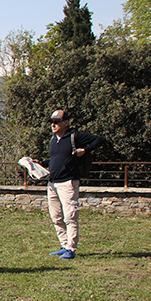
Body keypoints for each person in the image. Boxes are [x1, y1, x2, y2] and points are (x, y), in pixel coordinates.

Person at [43, 109, 106, 260]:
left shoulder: (74, 136)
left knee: (70, 216)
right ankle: (64, 245)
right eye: (52, 122)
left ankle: (71, 248)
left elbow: (100, 140)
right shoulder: (54, 139)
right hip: (53, 183)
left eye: (57, 122)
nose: (53, 124)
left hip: (68, 182)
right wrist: (40, 163)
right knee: (56, 216)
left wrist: (85, 150)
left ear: (66, 123)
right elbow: (56, 160)